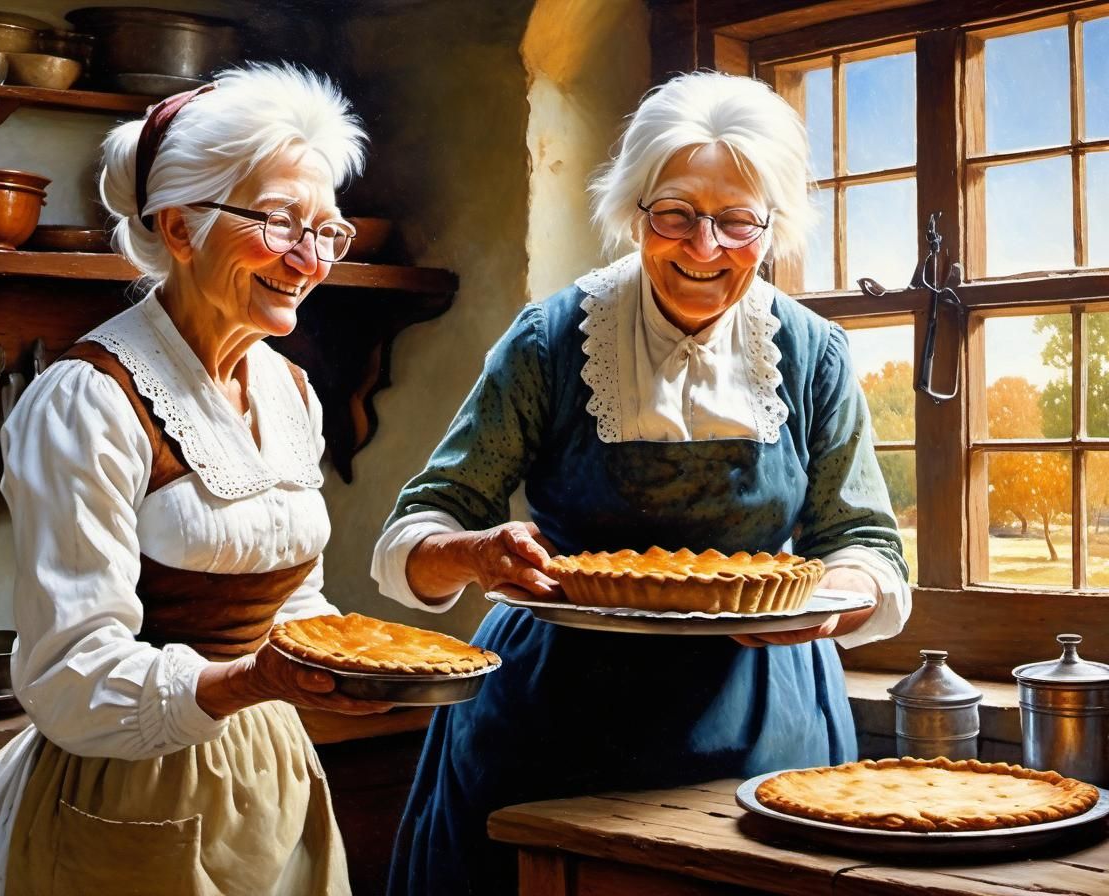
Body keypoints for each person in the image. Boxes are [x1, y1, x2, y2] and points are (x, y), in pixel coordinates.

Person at [372, 71, 912, 895]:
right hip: (553, 723)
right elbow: (418, 529)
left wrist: (830, 596)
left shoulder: (812, 355)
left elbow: (864, 543)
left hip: (766, 723)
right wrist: (477, 552)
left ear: (772, 229)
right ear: (634, 214)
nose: (705, 249)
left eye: (737, 221)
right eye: (676, 215)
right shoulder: (551, 341)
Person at [0, 63, 389, 896]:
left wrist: (354, 660)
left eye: (328, 231)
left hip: (271, 776)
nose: (309, 260)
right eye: (278, 224)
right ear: (180, 227)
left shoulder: (290, 391)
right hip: (126, 792)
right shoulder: (88, 400)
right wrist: (247, 680)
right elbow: (68, 674)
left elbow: (290, 602)